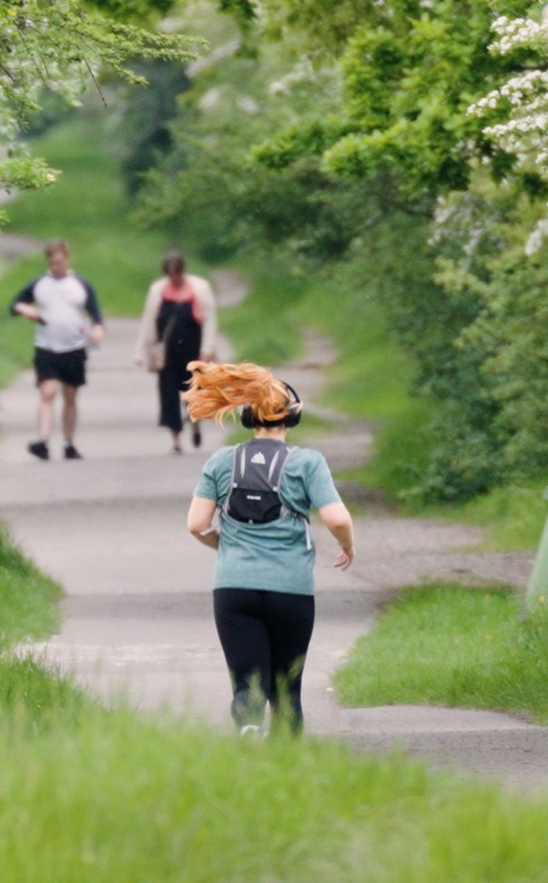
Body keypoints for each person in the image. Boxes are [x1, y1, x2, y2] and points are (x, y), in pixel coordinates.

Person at [183, 363, 354, 737]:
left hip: (233, 588)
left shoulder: (222, 461)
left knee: (247, 683)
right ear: (292, 417)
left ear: (248, 417)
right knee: (285, 689)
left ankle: (247, 728)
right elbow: (337, 519)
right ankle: (285, 770)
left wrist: (223, 545)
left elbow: (196, 524)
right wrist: (346, 545)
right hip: (290, 590)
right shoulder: (307, 463)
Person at [9, 239, 102, 460]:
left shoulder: (80, 284)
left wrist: (98, 330)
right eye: (52, 262)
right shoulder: (40, 284)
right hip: (47, 347)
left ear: (66, 259)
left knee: (70, 396)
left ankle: (69, 443)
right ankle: (43, 441)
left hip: (74, 347)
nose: (56, 265)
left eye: (60, 261)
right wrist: (26, 310)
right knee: (47, 392)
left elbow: (96, 313)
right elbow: (14, 304)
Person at [136, 251, 220, 453]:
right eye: (170, 273)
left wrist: (207, 349)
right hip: (167, 352)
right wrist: (141, 351)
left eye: (177, 273)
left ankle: (195, 423)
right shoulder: (158, 290)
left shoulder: (199, 288)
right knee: (168, 393)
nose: (174, 277)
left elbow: (209, 320)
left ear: (183, 270)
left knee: (193, 392)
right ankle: (176, 439)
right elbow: (149, 321)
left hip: (193, 348)